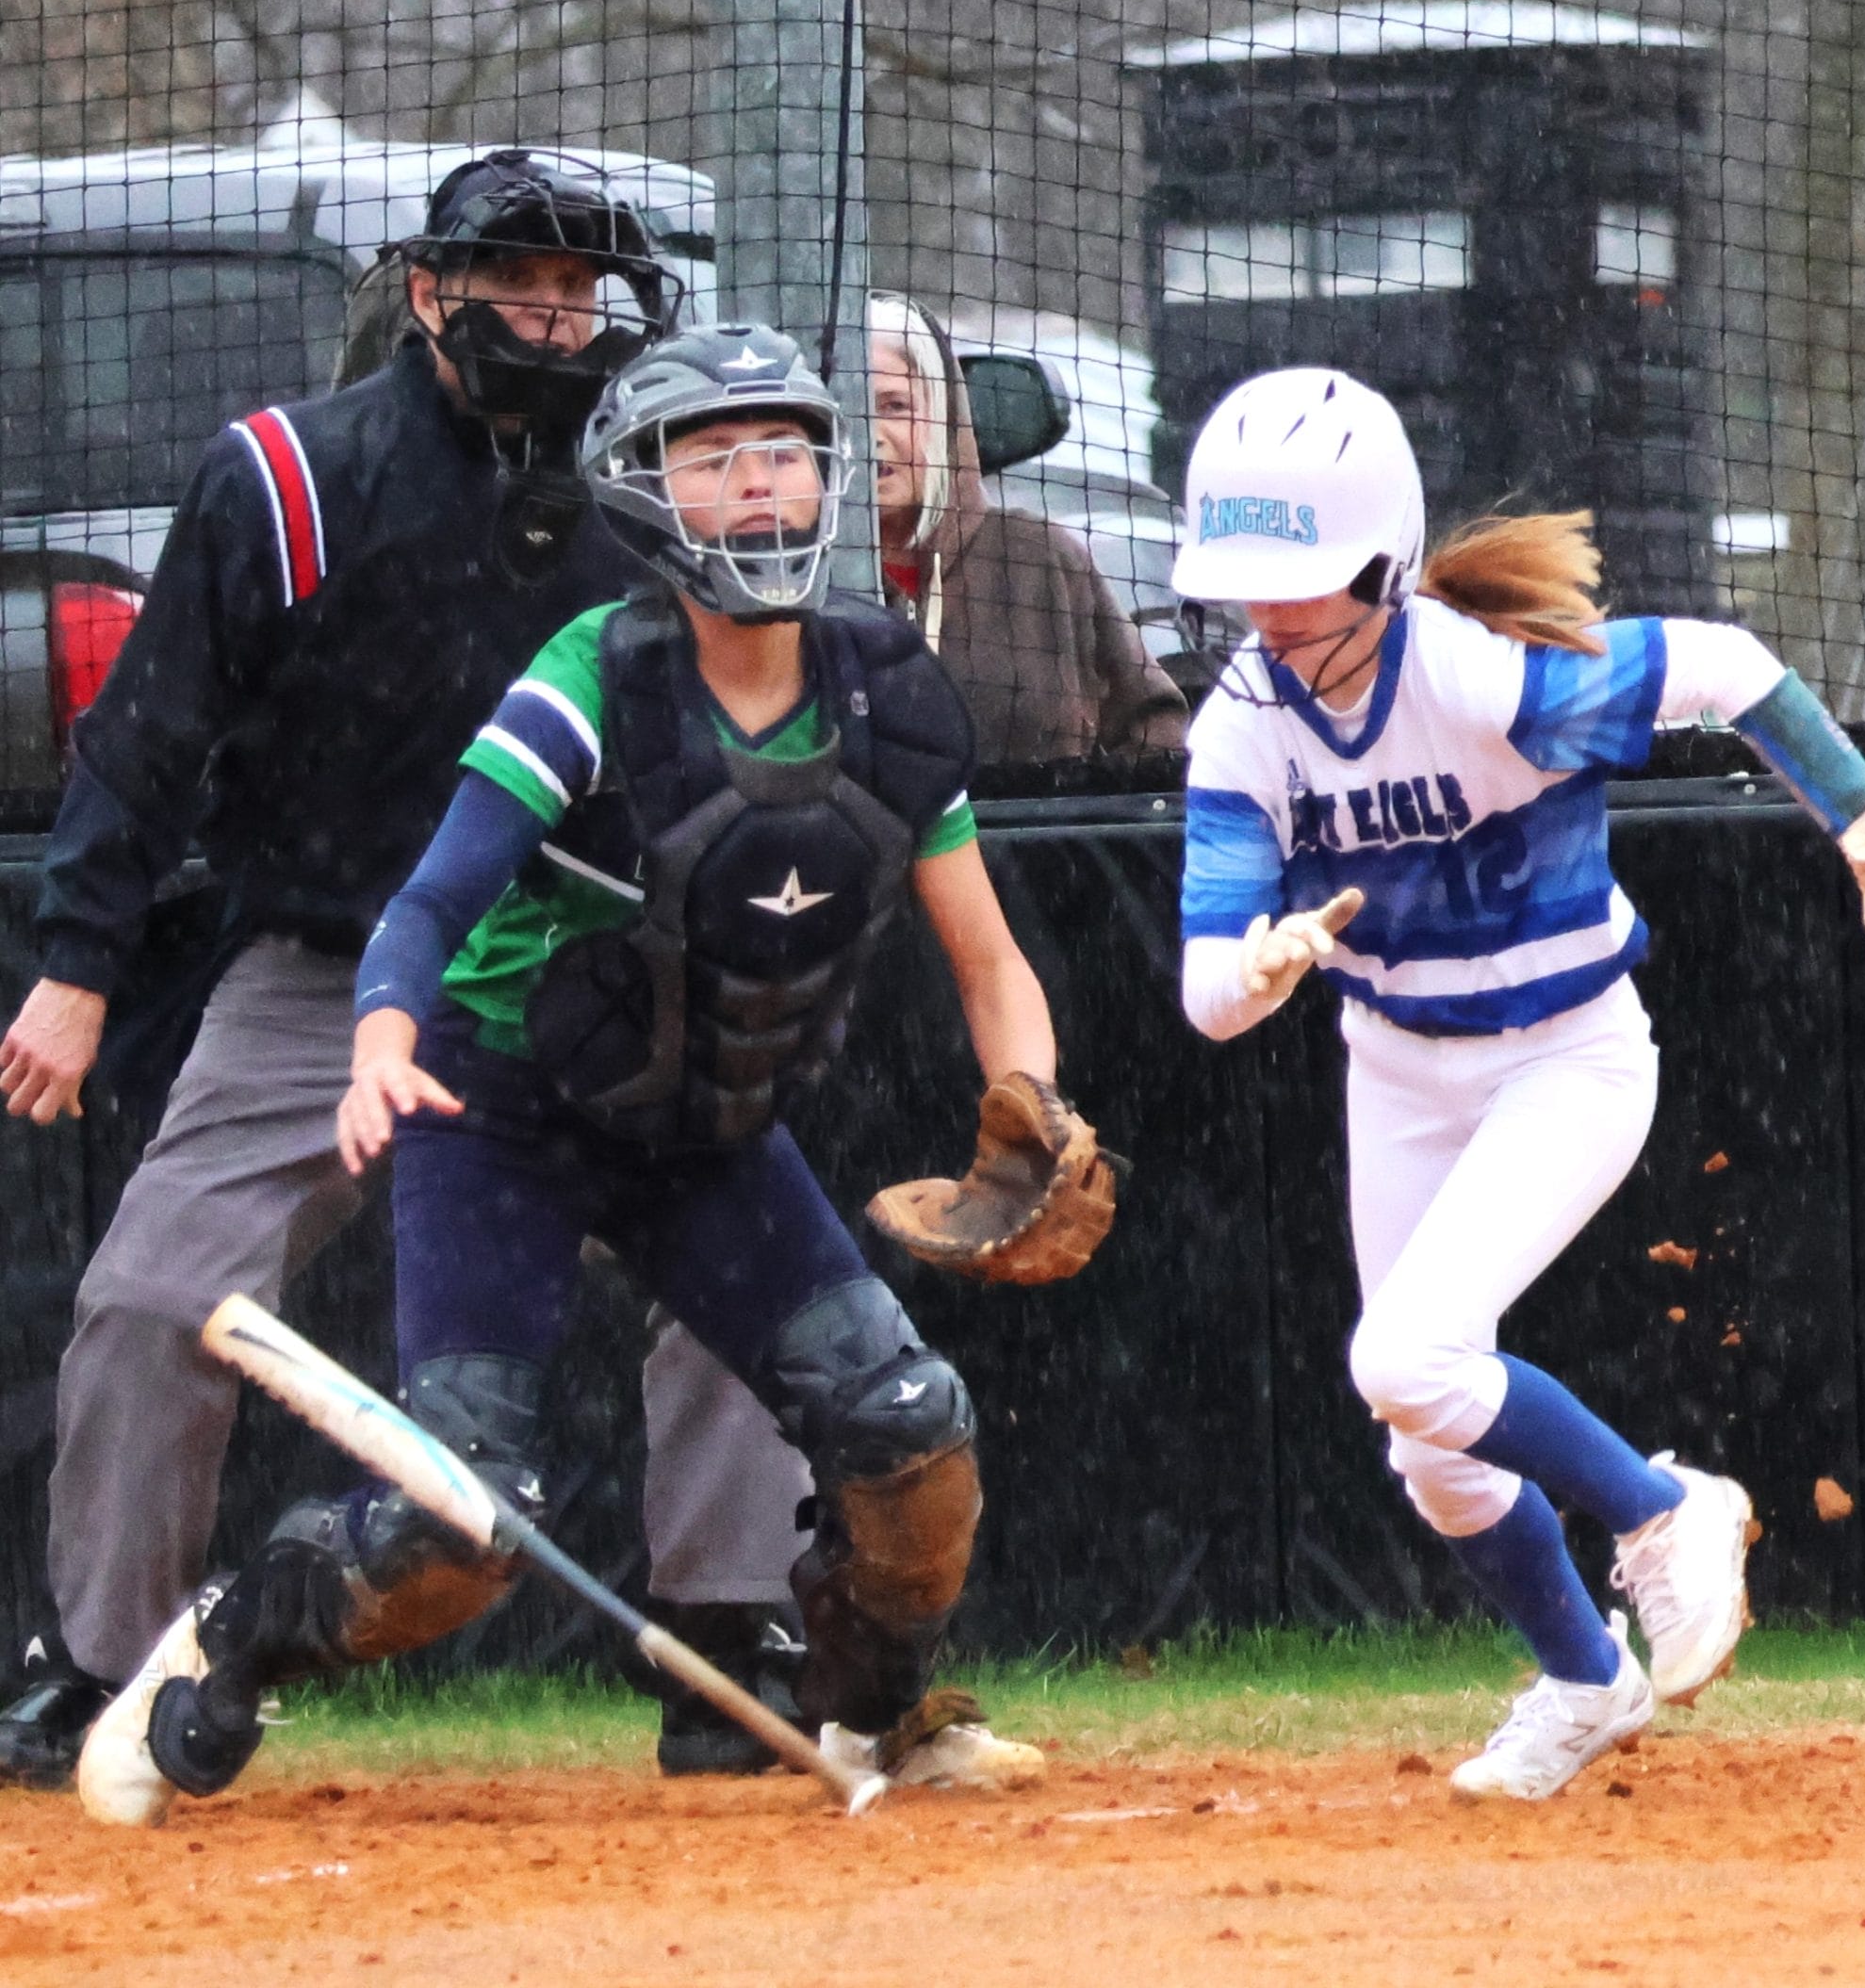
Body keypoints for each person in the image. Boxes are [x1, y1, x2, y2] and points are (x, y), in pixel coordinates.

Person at [74, 323, 1075, 1825]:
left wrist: (1031, 1114)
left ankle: (873, 1713)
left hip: (708, 1129)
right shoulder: (594, 677)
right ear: (643, 488)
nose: (761, 486)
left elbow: (990, 962)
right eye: (716, 456)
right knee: (457, 1525)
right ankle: (232, 1642)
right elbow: (426, 907)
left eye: (787, 452)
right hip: (507, 1116)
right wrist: (381, 1046)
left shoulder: (882, 686)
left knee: (909, 1434)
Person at [0, 153, 815, 1791]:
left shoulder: (639, 490)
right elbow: (146, 736)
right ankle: (102, 1662)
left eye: (585, 287)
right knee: (151, 1301)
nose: (558, 314)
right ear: (431, 295)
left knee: (751, 1270)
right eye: (522, 279)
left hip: (575, 970)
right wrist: (76, 963)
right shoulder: (291, 479)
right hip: (319, 975)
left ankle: (732, 1644)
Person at [1171, 366, 1865, 1803]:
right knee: (1425, 1446)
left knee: (1406, 1360)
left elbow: (1735, 670)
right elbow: (1205, 1003)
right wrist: (1263, 966)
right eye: (1246, 583)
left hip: (1567, 1057)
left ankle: (1665, 1508)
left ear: (1382, 562)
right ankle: (1583, 1680)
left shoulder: (1484, 679)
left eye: (1302, 580)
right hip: (1400, 1069)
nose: (1271, 613)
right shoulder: (1245, 727)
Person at [867, 294, 1186, 764]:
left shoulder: (1039, 559)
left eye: (894, 406)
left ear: (944, 416)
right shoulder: (795, 584)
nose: (871, 432)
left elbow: (1155, 734)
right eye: (849, 408)